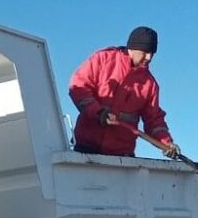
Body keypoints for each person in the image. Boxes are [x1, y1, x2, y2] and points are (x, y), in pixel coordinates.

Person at [68, 26, 180, 158]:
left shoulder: (150, 85)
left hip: (121, 156)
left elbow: (154, 120)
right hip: (86, 149)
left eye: (152, 53)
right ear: (132, 48)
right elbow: (78, 86)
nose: (149, 57)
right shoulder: (103, 60)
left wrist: (167, 143)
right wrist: (98, 112)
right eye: (145, 52)